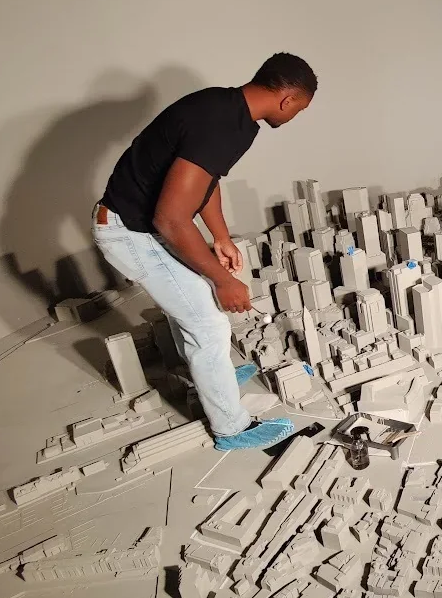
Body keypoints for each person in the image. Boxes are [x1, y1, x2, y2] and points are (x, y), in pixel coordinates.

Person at [93, 54, 316, 451]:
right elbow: (171, 219)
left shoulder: (231, 112)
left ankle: (205, 374)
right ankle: (232, 429)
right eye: (301, 109)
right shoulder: (221, 125)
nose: (296, 116)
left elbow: (204, 182)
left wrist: (221, 237)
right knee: (210, 323)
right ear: (288, 100)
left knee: (195, 300)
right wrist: (222, 278)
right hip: (128, 232)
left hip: (142, 224)